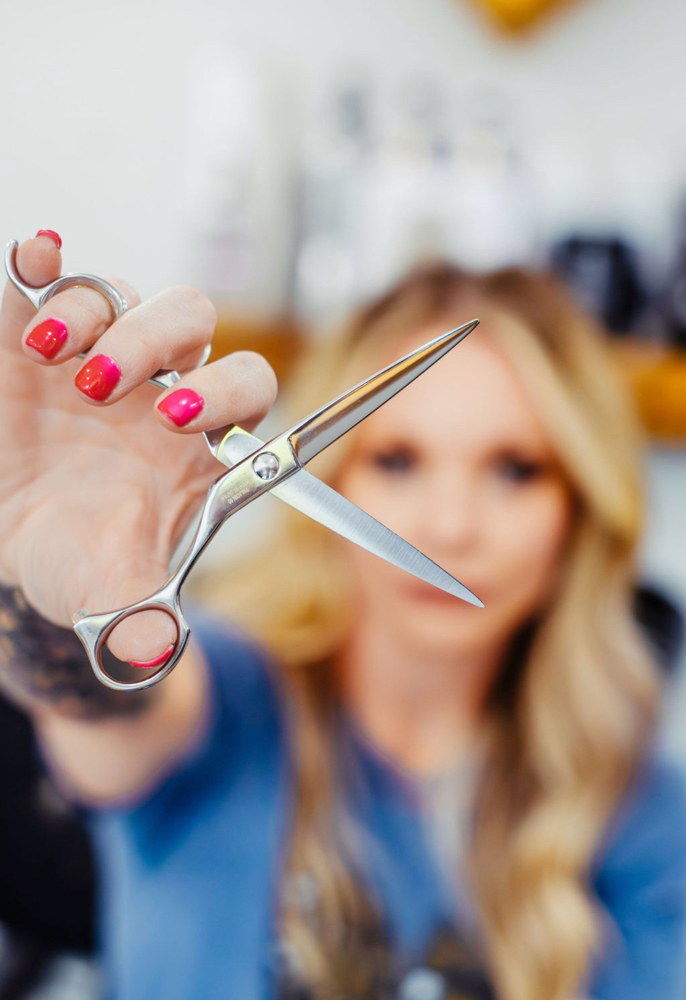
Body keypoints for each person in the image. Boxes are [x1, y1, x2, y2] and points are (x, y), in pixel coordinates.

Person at [0, 232, 685, 1000]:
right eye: (397, 460)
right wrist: (54, 588)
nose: (450, 525)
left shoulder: (649, 818)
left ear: (578, 509)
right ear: (335, 474)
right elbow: (96, 702)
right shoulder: (222, 699)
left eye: (515, 470)